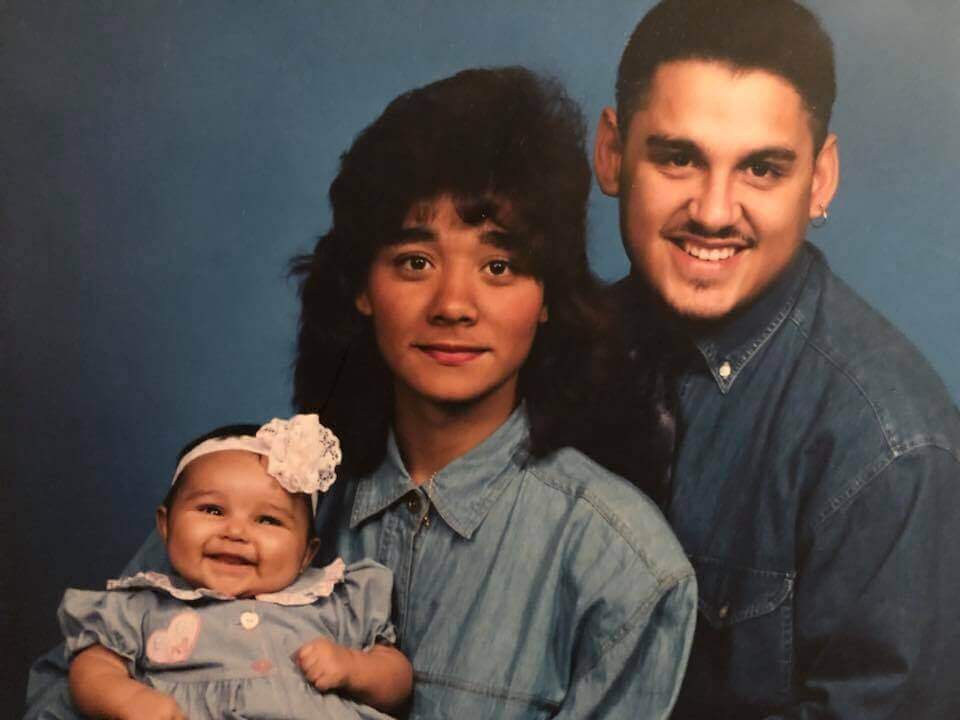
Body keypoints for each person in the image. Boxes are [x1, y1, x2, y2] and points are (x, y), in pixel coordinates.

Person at [25, 66, 696, 719]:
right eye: (415, 261)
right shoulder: (252, 486)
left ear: (548, 297)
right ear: (362, 287)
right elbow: (68, 687)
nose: (453, 305)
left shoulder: (624, 568)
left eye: (499, 265)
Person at [590, 0, 960, 717]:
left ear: (819, 181)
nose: (713, 211)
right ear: (610, 154)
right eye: (679, 158)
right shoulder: (547, 352)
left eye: (761, 169)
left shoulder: (890, 450)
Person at [57, 414, 412, 719]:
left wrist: (352, 668)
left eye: (268, 520)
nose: (235, 532)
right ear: (165, 526)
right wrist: (129, 700)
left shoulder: (333, 602)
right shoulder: (142, 606)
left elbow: (396, 678)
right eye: (212, 510)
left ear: (307, 553)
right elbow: (92, 667)